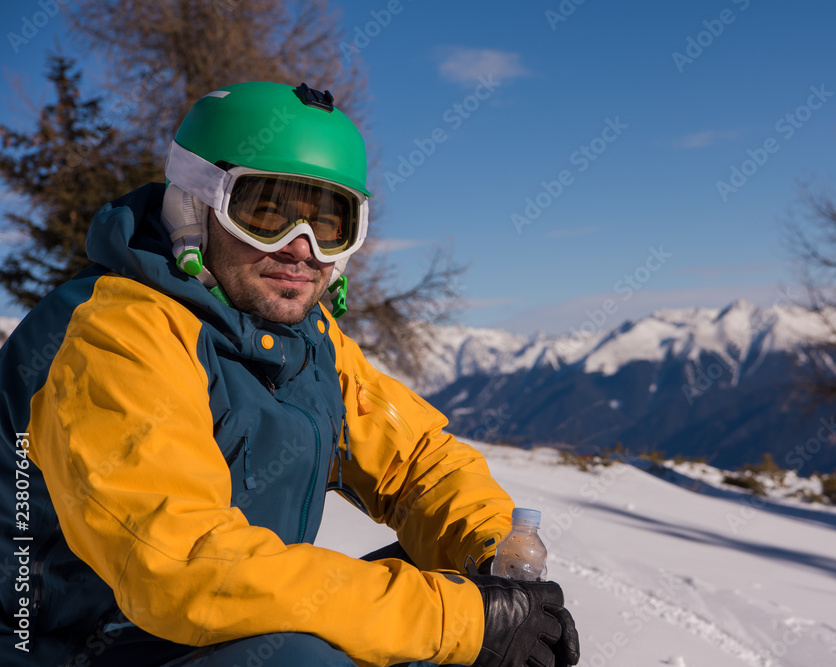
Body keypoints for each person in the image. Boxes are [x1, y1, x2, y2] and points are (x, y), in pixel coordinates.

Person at [0, 81, 579, 667]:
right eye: (264, 214)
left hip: (210, 637)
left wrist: (491, 556)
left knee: (436, 603)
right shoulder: (114, 335)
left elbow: (418, 462)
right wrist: (457, 620)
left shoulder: (307, 341)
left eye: (329, 225)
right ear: (193, 206)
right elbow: (183, 567)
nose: (302, 250)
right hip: (72, 649)